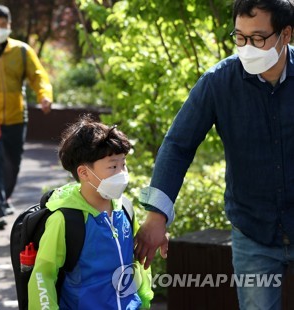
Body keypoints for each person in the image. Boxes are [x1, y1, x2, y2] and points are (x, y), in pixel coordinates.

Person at [135, 0, 294, 309]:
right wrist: (157, 215)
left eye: (258, 38)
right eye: (239, 37)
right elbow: (178, 145)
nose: (247, 47)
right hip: (253, 230)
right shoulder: (218, 82)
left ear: (286, 34)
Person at [27, 115, 151, 309]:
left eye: (123, 164)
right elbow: (43, 276)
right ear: (84, 173)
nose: (122, 173)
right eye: (113, 166)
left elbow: (138, 265)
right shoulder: (65, 219)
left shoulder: (125, 209)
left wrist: (144, 301)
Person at [0, 4, 53, 229]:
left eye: (3, 25)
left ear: (10, 26)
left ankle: (4, 197)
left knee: (13, 163)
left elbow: (38, 76)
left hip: (17, 115)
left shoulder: (22, 51)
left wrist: (44, 96)